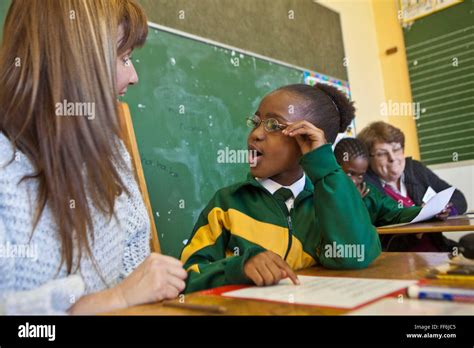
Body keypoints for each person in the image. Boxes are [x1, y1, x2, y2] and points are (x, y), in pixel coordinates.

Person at [0, 0, 186, 315]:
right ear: (78, 63)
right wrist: (104, 302)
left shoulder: (113, 156)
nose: (134, 76)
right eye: (124, 58)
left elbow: (136, 269)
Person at [180, 83, 381, 293]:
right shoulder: (227, 203)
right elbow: (186, 277)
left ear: (307, 139)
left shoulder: (327, 203)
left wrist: (324, 164)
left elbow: (356, 257)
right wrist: (238, 268)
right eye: (256, 122)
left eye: (274, 125)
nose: (255, 134)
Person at [357, 121, 467, 251]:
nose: (392, 158)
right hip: (400, 259)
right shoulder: (366, 186)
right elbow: (378, 238)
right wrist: (418, 223)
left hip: (439, 249)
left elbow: (459, 198)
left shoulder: (415, 169)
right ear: (368, 159)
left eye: (396, 149)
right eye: (381, 153)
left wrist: (445, 211)